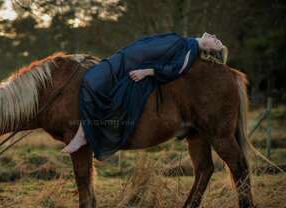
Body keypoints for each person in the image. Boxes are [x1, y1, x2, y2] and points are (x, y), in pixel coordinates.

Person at [62, 32, 226, 160]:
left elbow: (173, 70)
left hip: (128, 65)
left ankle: (82, 135)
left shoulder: (190, 52)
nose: (215, 37)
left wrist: (146, 72)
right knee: (92, 81)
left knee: (91, 82)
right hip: (123, 58)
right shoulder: (188, 42)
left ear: (209, 50)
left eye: (217, 42)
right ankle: (85, 134)